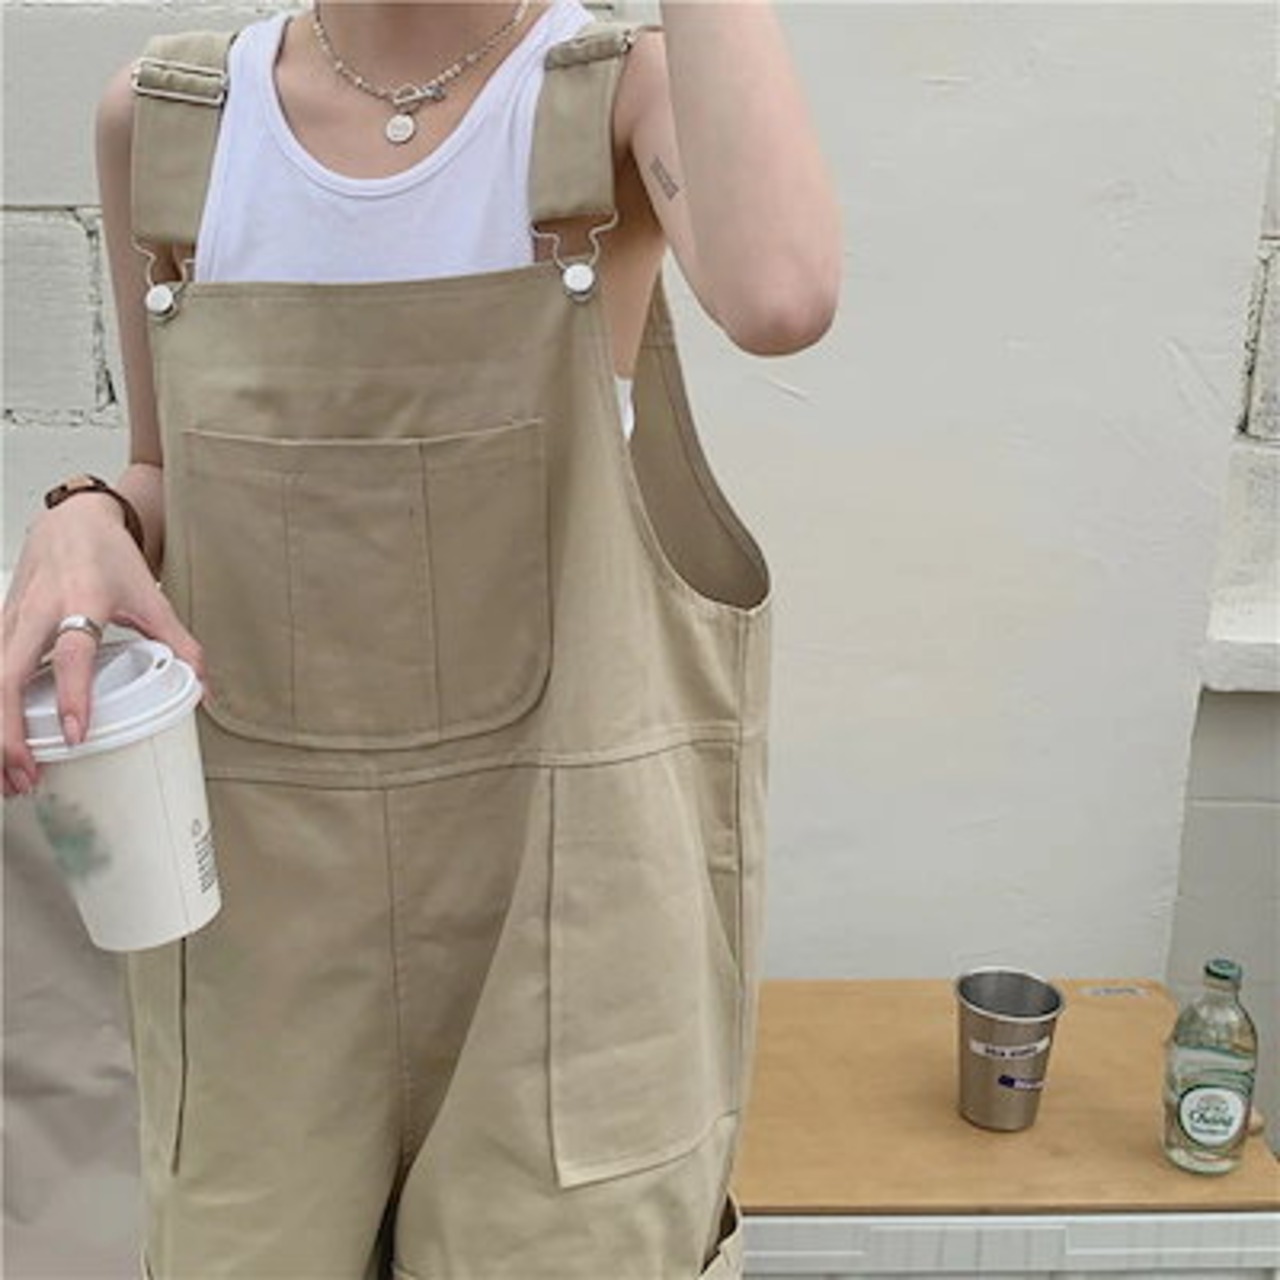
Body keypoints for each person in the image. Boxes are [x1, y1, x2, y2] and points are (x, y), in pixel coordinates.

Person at [3, 2, 840, 1275]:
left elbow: (779, 295)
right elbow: (165, 469)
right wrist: (90, 515)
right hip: (259, 919)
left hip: (571, 909)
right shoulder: (170, 124)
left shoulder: (613, 98)